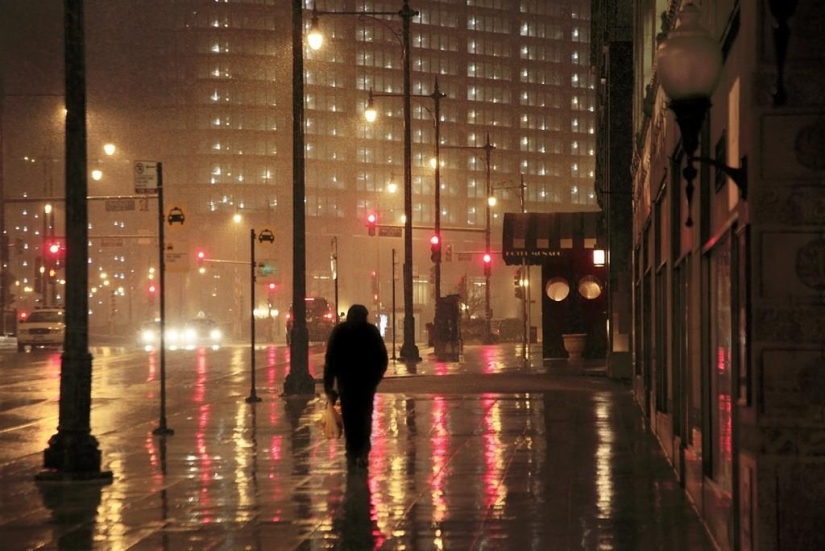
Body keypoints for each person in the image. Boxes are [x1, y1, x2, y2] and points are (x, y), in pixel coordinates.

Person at [324, 304, 388, 469]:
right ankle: (362, 451)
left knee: (350, 418)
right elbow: (382, 359)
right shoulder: (370, 332)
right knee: (365, 417)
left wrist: (329, 385)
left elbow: (330, 360)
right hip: (365, 384)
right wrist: (374, 379)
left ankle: (352, 450)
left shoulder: (340, 332)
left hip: (346, 384)